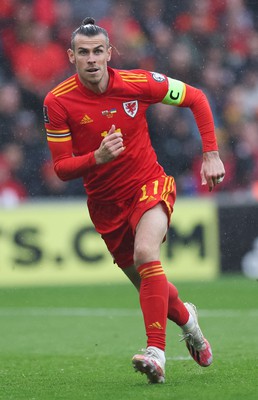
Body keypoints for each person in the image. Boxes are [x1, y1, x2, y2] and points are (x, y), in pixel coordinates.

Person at [43, 17, 225, 384]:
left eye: (98, 52)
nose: (92, 59)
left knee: (146, 254)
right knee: (150, 285)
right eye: (83, 53)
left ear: (110, 53)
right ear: (71, 57)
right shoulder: (58, 101)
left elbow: (197, 98)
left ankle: (156, 353)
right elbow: (61, 169)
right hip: (105, 205)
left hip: (148, 185)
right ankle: (189, 322)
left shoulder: (138, 83)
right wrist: (97, 158)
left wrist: (211, 154)